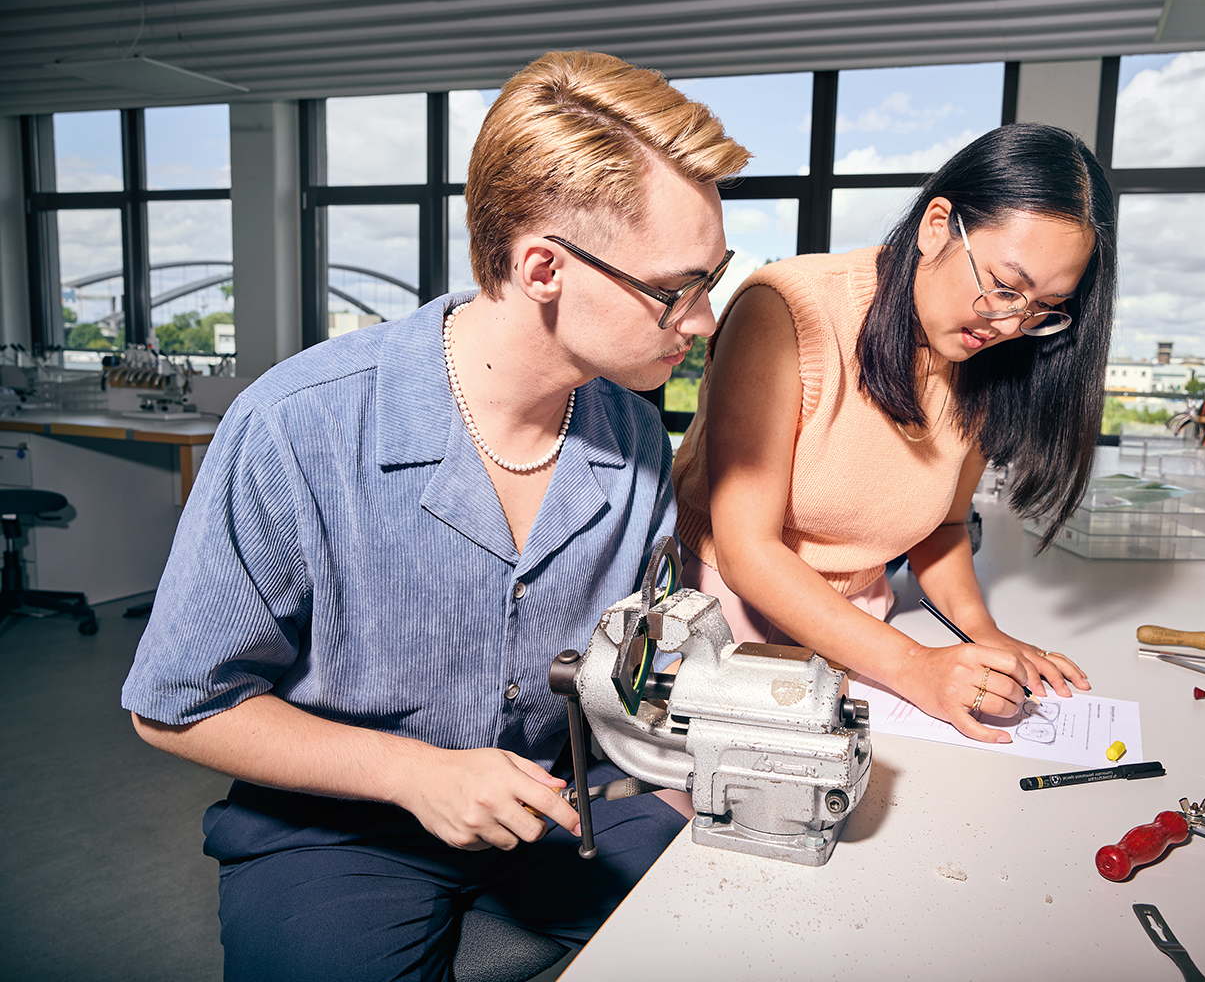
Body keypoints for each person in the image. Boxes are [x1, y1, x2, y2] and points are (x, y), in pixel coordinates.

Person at [122, 50, 748, 981]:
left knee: (758, 917)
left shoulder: (633, 433)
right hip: (338, 830)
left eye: (714, 276)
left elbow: (634, 649)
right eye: (675, 288)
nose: (701, 320)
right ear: (543, 267)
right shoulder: (297, 428)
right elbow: (176, 708)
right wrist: (412, 773)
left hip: (553, 802)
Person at [672, 123, 1116, 744]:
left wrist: (981, 635)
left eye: (1044, 307)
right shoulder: (787, 310)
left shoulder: (985, 358)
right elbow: (748, 552)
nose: (1012, 322)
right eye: (1005, 285)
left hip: (862, 623)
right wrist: (915, 666)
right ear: (938, 225)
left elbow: (947, 527)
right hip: (721, 615)